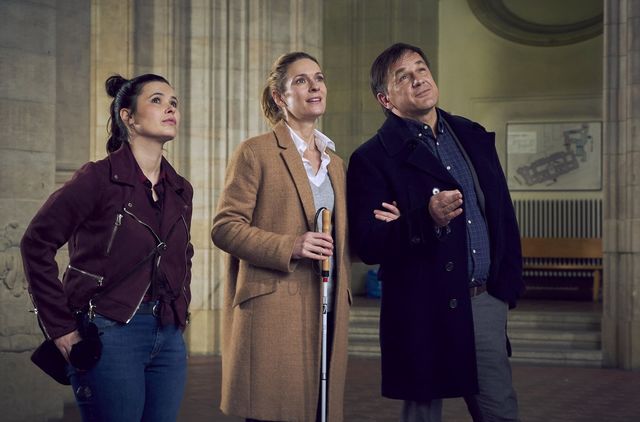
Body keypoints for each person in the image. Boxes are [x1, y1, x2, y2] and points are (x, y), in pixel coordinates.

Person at [346, 42, 525, 422]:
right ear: (385, 99)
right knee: (422, 414)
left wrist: (504, 289)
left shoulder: (471, 135)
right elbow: (368, 244)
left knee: (500, 411)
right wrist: (424, 218)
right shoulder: (372, 158)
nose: (418, 80)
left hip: (482, 301)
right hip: (421, 308)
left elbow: (502, 216)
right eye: (403, 77)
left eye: (421, 69)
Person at [21, 73, 194, 422]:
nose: (170, 108)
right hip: (110, 332)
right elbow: (36, 243)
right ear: (128, 117)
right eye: (157, 100)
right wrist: (61, 329)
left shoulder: (180, 188)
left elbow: (183, 253)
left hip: (168, 336)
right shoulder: (97, 178)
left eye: (173, 102)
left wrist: (180, 308)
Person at [211, 51, 357, 422]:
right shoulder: (255, 152)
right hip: (273, 310)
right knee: (272, 413)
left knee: (317, 412)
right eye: (301, 81)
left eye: (319, 78)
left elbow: (343, 239)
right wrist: (290, 245)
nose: (315, 87)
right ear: (280, 97)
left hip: (327, 307)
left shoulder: (336, 164)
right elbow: (225, 227)